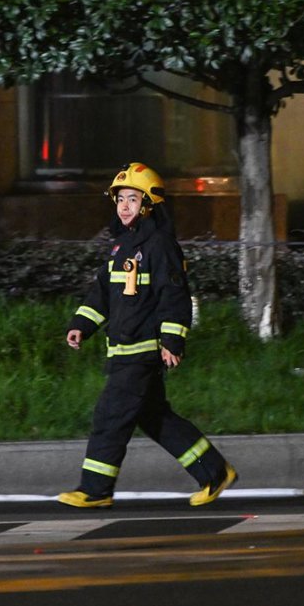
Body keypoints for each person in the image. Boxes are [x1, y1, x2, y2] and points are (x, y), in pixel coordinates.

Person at [57, 162, 238, 508]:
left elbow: (174, 296)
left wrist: (172, 341)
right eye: (120, 199)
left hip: (141, 352)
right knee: (155, 418)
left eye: (132, 199)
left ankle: (95, 491)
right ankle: (215, 472)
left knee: (110, 416)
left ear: (149, 205)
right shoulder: (120, 247)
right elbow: (102, 295)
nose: (124, 206)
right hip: (123, 349)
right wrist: (81, 324)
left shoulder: (159, 245)